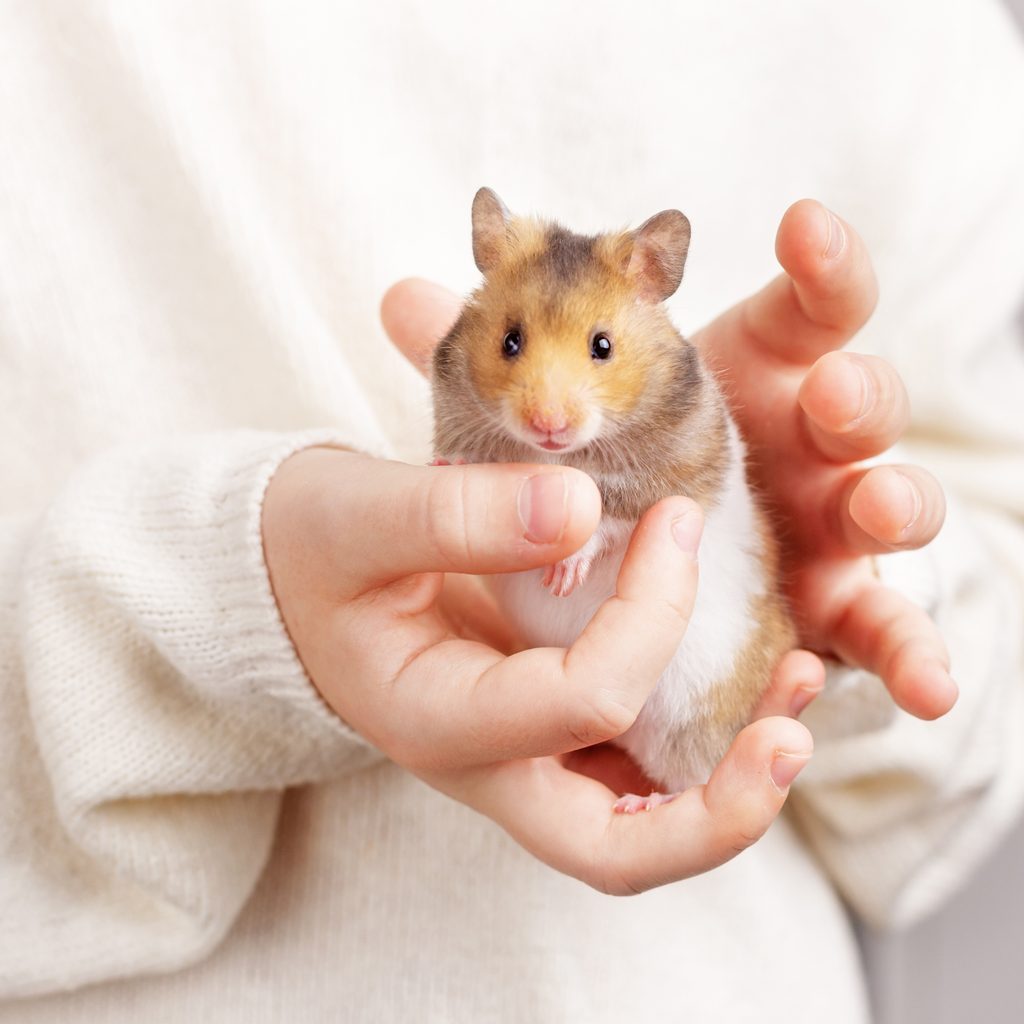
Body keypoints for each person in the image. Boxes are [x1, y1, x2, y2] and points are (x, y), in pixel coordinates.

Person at [1, 1, 1022, 1021]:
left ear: (652, 289)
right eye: (519, 349)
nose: (548, 409)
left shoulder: (923, 40)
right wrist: (236, 597)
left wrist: (865, 579)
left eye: (598, 354)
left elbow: (974, 719)